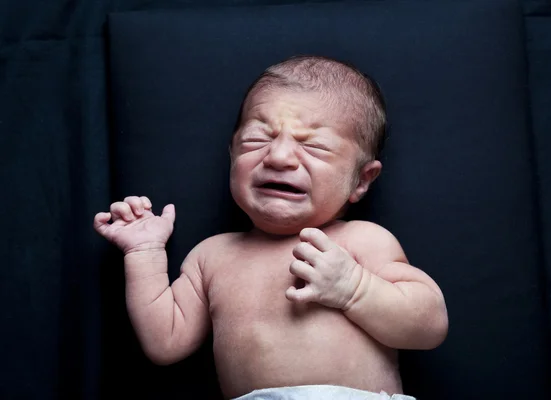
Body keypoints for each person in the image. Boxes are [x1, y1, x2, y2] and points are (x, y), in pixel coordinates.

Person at [93, 55, 448, 400]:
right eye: (256, 140)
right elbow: (164, 342)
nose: (278, 157)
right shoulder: (212, 256)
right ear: (233, 155)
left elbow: (429, 326)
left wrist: (354, 288)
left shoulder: (363, 242)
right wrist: (144, 253)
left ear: (361, 179)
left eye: (314, 146)